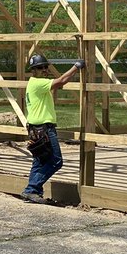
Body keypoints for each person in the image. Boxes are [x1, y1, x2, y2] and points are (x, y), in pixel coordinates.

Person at [22, 53, 85, 203]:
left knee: (39, 162)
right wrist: (76, 66)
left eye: (45, 67)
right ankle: (31, 188)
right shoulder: (38, 83)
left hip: (35, 128)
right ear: (33, 71)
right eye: (40, 68)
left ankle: (33, 192)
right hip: (43, 129)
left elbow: (58, 84)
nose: (44, 69)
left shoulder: (36, 84)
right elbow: (62, 80)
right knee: (56, 161)